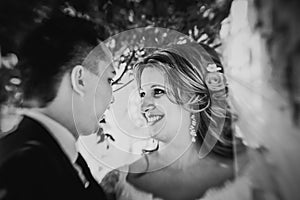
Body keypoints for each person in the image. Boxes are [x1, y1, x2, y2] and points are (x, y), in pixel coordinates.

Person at [101, 43, 250, 200]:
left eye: (158, 92)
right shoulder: (118, 183)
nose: (144, 106)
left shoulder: (253, 166)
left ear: (194, 100)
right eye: (142, 94)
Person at [0, 13, 116, 200]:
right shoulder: (25, 169)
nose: (113, 99)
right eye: (109, 79)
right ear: (80, 79)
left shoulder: (64, 160)